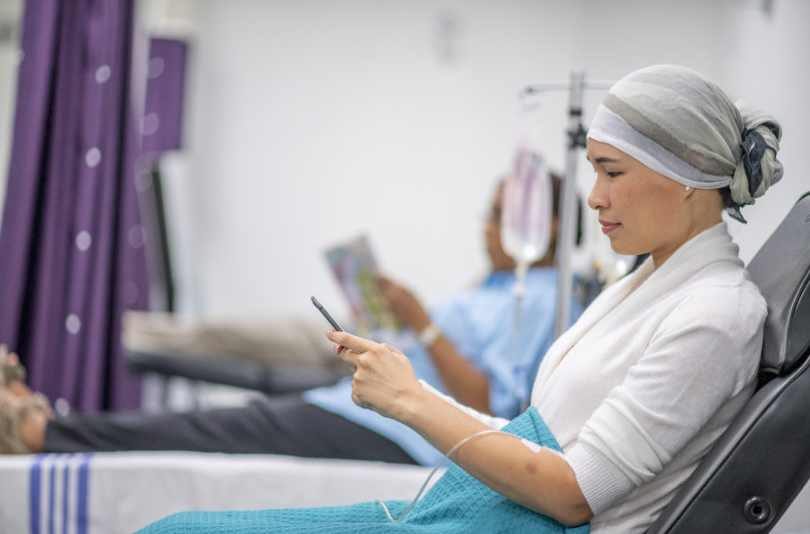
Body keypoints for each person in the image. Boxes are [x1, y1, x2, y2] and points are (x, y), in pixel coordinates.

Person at [138, 64, 783, 533]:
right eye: (595, 171)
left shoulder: (716, 314)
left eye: (612, 171)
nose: (595, 197)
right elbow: (537, 444)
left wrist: (411, 401)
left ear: (690, 175)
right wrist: (405, 388)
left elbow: (572, 495)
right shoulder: (648, 287)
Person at [0, 175, 580, 467]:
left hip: (403, 434)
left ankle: (40, 434)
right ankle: (56, 429)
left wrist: (421, 322)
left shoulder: (549, 302)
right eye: (490, 214)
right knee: (227, 422)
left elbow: (497, 408)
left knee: (218, 431)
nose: (485, 227)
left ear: (550, 226)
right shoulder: (506, 287)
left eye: (501, 216)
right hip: (367, 403)